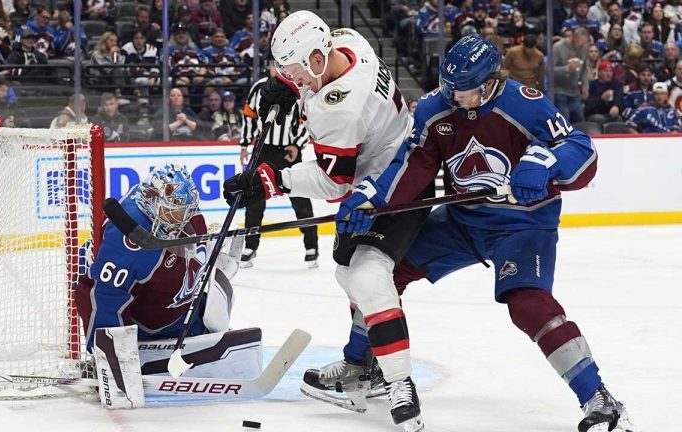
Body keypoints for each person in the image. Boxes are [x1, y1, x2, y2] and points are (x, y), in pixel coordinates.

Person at [335, 34, 638, 432]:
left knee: (528, 304)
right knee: (379, 274)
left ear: (491, 81)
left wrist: (546, 162)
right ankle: (361, 365)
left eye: (463, 91)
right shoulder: (435, 109)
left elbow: (581, 151)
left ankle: (600, 398)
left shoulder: (524, 104)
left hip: (523, 224)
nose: (453, 97)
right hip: (462, 221)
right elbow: (411, 167)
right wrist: (371, 199)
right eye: (449, 88)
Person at [221, 11, 425, 431]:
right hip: (395, 162)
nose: (295, 78)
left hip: (394, 184)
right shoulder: (349, 40)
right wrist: (286, 89)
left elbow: (333, 184)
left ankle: (399, 381)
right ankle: (360, 363)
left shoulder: (340, 110)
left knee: (368, 276)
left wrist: (270, 180)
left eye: (297, 72)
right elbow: (316, 81)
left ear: (317, 58)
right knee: (348, 269)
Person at [74, 164, 254, 376]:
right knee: (109, 298)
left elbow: (191, 252)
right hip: (139, 318)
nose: (182, 218)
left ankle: (193, 330)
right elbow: (105, 297)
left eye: (185, 210)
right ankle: (108, 357)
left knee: (209, 310)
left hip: (169, 308)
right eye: (174, 213)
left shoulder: (183, 213)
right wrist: (110, 356)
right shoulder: (128, 239)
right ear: (152, 202)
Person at [236, 62, 316, 269]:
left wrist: (297, 145)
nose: (281, 69)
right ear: (270, 66)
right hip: (263, 150)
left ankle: (311, 246)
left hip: (288, 151)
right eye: (277, 65)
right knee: (255, 199)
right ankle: (250, 246)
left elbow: (307, 119)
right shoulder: (259, 87)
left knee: (300, 198)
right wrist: (245, 144)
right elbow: (249, 115)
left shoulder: (300, 87)